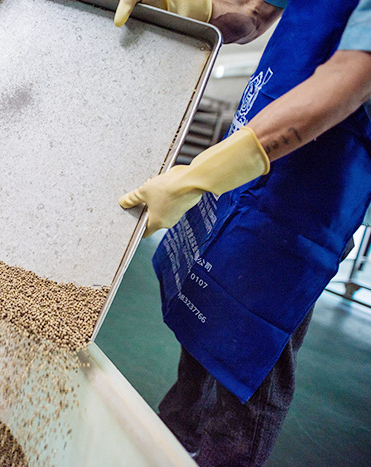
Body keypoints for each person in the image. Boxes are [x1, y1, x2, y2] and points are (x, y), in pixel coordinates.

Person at [113, 0, 371, 465]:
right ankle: (167, 444)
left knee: (250, 361)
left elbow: (350, 81)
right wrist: (180, 5)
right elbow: (252, 15)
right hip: (246, 170)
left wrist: (202, 175)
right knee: (204, 319)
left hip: (308, 197)